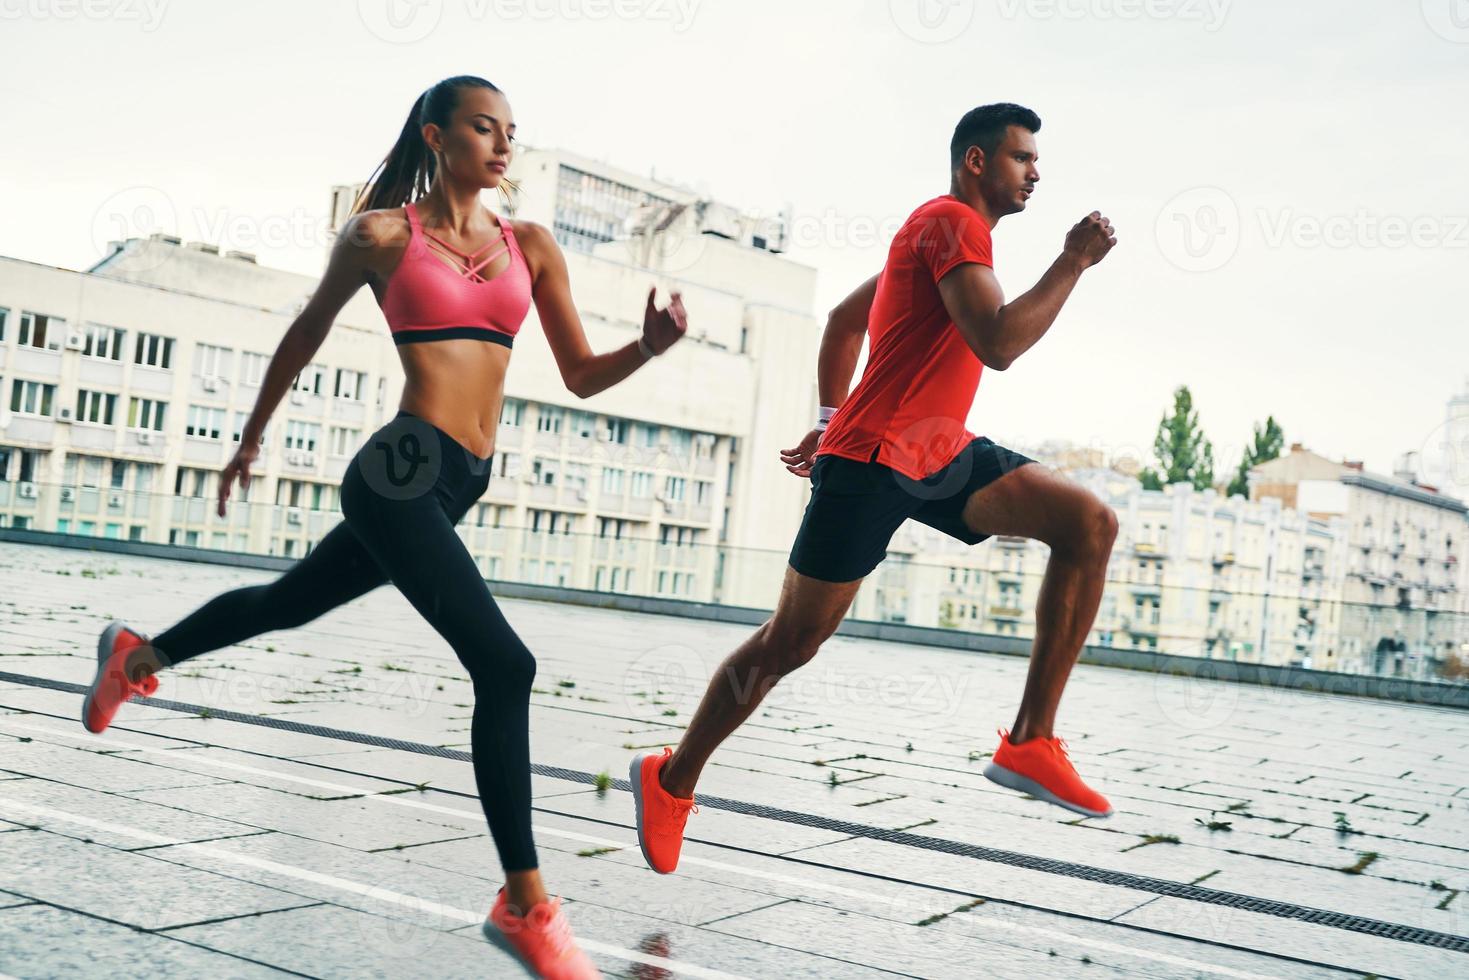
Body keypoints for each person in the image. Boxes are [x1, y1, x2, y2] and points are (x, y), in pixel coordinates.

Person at [80, 74, 687, 978]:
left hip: (460, 482)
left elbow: (579, 376)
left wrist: (648, 347)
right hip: (398, 473)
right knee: (506, 665)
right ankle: (525, 905)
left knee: (289, 603)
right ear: (437, 136)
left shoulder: (533, 247)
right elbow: (306, 331)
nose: (504, 144)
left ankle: (137, 657)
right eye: (485, 127)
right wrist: (248, 437)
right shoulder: (381, 236)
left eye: (512, 131)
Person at [629, 102, 1119, 876]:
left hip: (936, 453)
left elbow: (843, 322)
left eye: (1036, 160)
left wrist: (829, 414)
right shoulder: (952, 222)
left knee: (1088, 525)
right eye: (1022, 158)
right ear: (976, 162)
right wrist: (1073, 263)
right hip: (870, 464)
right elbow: (996, 345)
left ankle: (1029, 739)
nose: (1035, 172)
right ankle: (672, 777)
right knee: (791, 642)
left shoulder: (931, 236)